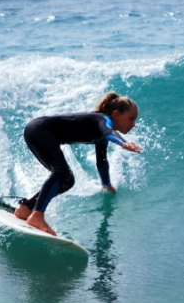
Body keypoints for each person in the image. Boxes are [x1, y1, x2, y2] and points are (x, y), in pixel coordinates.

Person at [14, 92, 141, 236]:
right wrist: (124, 143)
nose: (133, 124)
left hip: (37, 131)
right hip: (39, 129)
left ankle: (26, 208)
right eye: (131, 119)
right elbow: (108, 132)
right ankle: (37, 216)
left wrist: (106, 185)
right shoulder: (103, 120)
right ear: (116, 114)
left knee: (67, 180)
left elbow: (102, 161)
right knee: (61, 172)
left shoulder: (100, 131)